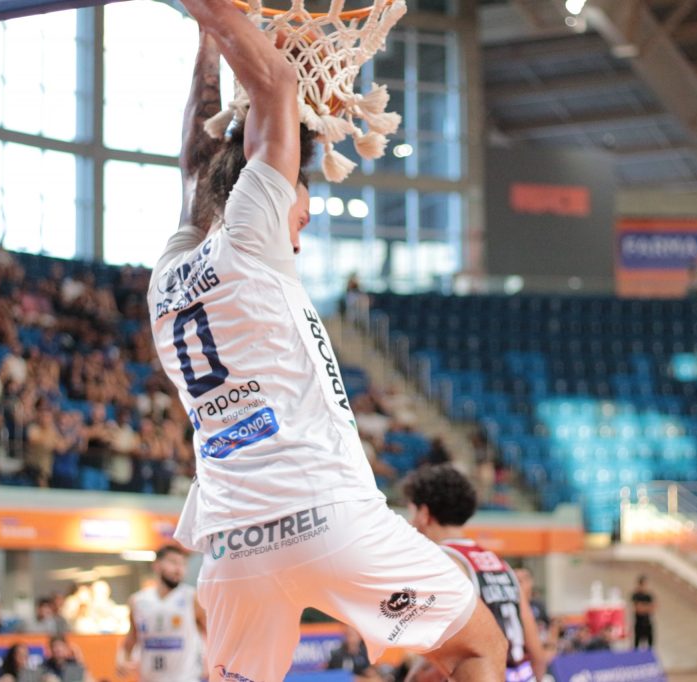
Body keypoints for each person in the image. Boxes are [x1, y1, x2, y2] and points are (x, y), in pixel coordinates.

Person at [147, 2, 506, 679]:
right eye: (302, 216)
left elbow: (196, 167)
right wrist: (212, 16)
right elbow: (277, 85)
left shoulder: (166, 279)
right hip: (324, 516)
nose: (300, 235)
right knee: (478, 647)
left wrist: (204, 45)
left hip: (233, 547)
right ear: (269, 198)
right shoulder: (252, 239)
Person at [401, 464, 548, 682]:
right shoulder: (499, 564)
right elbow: (537, 653)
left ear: (423, 514)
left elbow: (451, 655)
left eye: (412, 512)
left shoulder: (443, 562)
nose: (411, 522)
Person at [118, 545, 205, 681]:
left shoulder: (192, 597)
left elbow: (212, 634)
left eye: (183, 564)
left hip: (186, 678)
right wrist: (121, 658)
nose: (178, 569)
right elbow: (129, 642)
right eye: (173, 562)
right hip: (149, 678)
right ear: (157, 565)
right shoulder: (137, 601)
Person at [630, 574, 654, 650]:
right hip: (639, 623)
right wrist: (647, 607)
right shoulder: (635, 595)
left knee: (650, 645)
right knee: (636, 645)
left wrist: (643, 607)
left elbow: (653, 608)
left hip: (648, 623)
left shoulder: (649, 596)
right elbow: (638, 609)